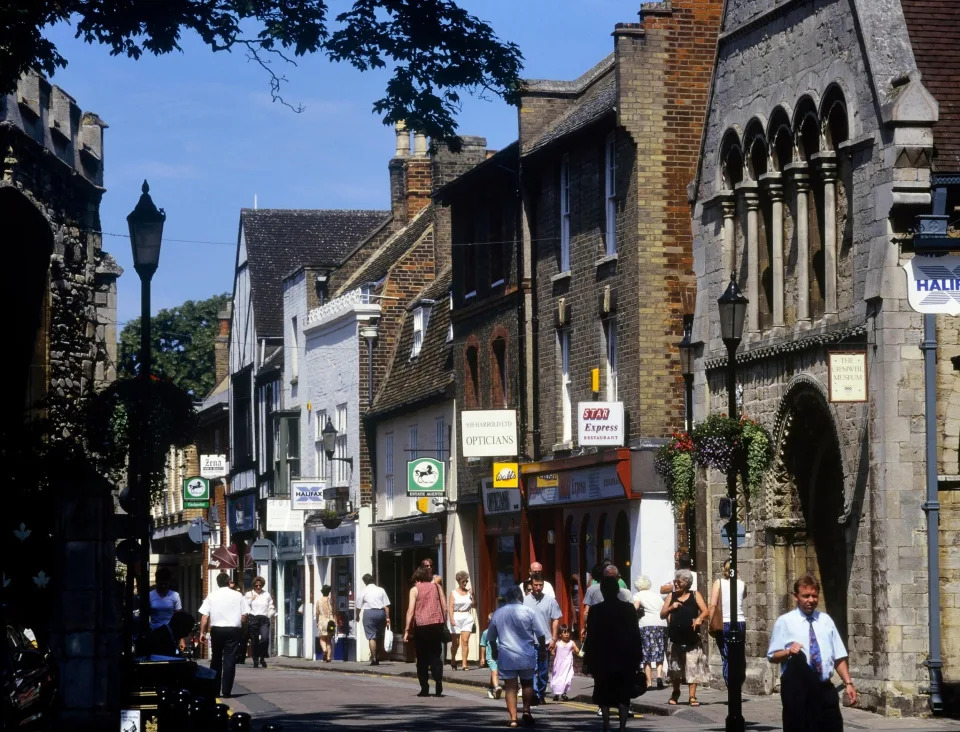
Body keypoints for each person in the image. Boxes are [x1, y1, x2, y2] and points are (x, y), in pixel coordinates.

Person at [767, 574, 856, 731]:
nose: (810, 600)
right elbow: (772, 656)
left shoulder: (826, 620)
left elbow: (838, 656)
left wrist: (848, 683)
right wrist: (788, 652)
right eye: (806, 596)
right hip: (797, 690)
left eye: (814, 596)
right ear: (796, 597)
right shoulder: (785, 622)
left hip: (824, 688)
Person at [585, 576, 643, 732]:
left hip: (602, 657)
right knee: (624, 693)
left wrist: (587, 659)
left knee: (603, 691)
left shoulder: (596, 610)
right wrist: (638, 656)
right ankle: (622, 726)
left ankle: (606, 723)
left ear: (602, 590)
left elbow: (591, 636)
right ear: (618, 590)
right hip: (624, 657)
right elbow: (635, 634)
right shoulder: (628, 609)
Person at [487, 586, 546, 728]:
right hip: (526, 654)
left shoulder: (498, 613)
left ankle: (513, 719)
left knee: (510, 687)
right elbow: (541, 634)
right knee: (527, 684)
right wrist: (542, 650)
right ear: (521, 597)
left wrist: (494, 651)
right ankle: (526, 710)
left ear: (507, 598)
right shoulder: (529, 612)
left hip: (507, 655)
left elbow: (491, 637)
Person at [661, 569, 710, 706]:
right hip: (675, 639)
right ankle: (675, 693)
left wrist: (700, 618)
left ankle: (692, 696)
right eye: (675, 581)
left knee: (692, 667)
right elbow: (662, 614)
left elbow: (706, 611)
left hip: (692, 639)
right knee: (675, 669)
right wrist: (671, 607)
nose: (676, 583)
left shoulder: (695, 595)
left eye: (679, 581)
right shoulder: (672, 596)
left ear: (686, 583)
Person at [199, 573, 250, 698]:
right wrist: (242, 629)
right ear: (228, 582)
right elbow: (244, 616)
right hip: (233, 630)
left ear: (218, 583)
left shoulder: (212, 596)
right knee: (230, 659)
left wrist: (202, 632)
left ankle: (215, 690)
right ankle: (227, 691)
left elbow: (204, 616)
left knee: (216, 659)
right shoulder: (238, 595)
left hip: (217, 630)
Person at [403, 564, 448, 697]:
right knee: (435, 655)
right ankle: (438, 681)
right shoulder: (437, 586)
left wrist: (407, 629)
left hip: (421, 626)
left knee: (422, 658)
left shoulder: (414, 590)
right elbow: (444, 607)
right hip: (436, 624)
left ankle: (424, 688)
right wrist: (443, 621)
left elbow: (410, 611)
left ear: (417, 575)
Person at [523, 572, 562, 704]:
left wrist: (554, 639)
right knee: (532, 669)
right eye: (536, 585)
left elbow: (556, 619)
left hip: (545, 642)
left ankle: (540, 692)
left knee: (543, 671)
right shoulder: (524, 601)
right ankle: (534, 695)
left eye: (541, 585)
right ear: (531, 585)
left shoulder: (550, 600)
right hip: (529, 641)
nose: (538, 588)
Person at [708, 558, 746, 687]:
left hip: (724, 623)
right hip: (740, 622)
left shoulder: (718, 583)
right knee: (739, 656)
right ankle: (738, 685)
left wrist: (710, 622)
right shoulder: (742, 584)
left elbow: (713, 604)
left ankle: (731, 688)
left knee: (726, 656)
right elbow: (744, 596)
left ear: (724, 570)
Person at [633, 575, 667, 689]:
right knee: (659, 650)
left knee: (646, 653)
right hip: (660, 624)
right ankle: (658, 676)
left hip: (646, 625)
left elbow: (635, 608)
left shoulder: (637, 595)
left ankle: (648, 682)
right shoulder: (656, 596)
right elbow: (663, 609)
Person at [357, 573, 391, 665]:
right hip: (380, 613)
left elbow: (359, 606)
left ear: (365, 582)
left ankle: (374, 658)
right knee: (379, 635)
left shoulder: (364, 591)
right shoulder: (381, 590)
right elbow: (386, 606)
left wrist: (357, 616)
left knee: (372, 636)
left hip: (369, 613)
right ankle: (378, 655)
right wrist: (388, 618)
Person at [243, 575, 276, 669]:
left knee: (265, 639)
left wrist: (270, 613)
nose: (258, 587)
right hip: (253, 618)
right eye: (256, 585)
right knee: (254, 641)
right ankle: (255, 660)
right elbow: (245, 605)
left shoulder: (266, 594)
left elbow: (271, 605)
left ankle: (262, 657)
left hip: (264, 619)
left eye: (260, 585)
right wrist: (251, 599)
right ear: (254, 585)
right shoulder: (249, 594)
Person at [449, 570, 475, 671]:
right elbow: (451, 607)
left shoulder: (469, 593)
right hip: (456, 616)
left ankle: (464, 664)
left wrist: (472, 595)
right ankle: (453, 659)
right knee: (456, 643)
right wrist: (451, 618)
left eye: (466, 581)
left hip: (467, 617)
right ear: (459, 581)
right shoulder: (453, 593)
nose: (465, 583)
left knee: (465, 641)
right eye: (463, 581)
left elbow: (474, 605)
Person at [550, 624, 579, 701]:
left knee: (567, 678)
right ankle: (556, 693)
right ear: (560, 634)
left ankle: (564, 693)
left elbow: (577, 650)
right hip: (559, 664)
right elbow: (553, 651)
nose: (566, 634)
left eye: (568, 632)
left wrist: (576, 651)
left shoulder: (571, 643)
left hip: (567, 664)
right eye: (564, 632)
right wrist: (552, 651)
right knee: (558, 679)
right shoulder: (558, 643)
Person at [480, 607, 504, 700]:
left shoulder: (501, 632)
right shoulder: (486, 633)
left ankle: (490, 688)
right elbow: (483, 645)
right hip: (490, 656)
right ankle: (497, 687)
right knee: (495, 671)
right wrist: (482, 658)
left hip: (500, 655)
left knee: (495, 673)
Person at [149, 567, 183, 631]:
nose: (163, 586)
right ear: (156, 582)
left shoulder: (175, 595)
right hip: (154, 631)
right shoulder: (150, 595)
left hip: (170, 632)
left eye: (165, 584)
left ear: (169, 582)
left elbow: (178, 616)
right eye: (161, 584)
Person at [315, 584, 336, 663]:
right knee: (329, 640)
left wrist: (317, 622)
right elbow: (334, 612)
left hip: (322, 622)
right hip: (330, 622)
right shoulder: (331, 601)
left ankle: (324, 650)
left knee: (322, 638)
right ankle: (329, 657)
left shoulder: (319, 601)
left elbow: (317, 613)